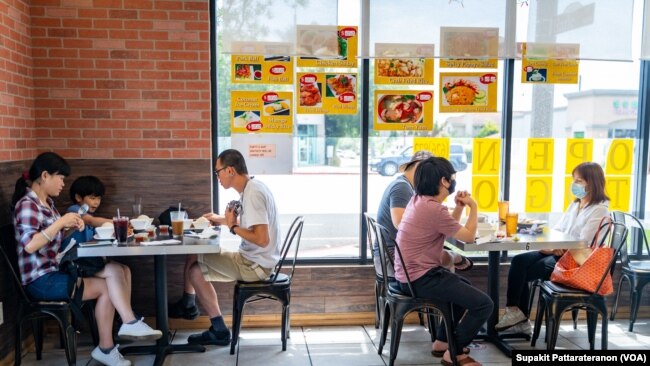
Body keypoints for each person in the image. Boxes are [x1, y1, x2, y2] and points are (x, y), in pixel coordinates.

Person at [12, 152, 161, 366]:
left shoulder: (48, 204)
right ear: (45, 175)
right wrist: (61, 222)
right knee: (110, 282)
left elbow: (54, 240)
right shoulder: (28, 205)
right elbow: (30, 244)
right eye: (61, 178)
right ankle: (115, 337)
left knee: (114, 274)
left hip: (57, 270)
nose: (63, 183)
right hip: (41, 281)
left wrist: (70, 228)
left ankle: (114, 339)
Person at [169, 149, 281, 346]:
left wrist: (232, 226)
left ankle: (214, 326)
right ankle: (191, 306)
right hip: (253, 260)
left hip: (255, 266)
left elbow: (262, 239)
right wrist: (219, 219)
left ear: (230, 170)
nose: (217, 177)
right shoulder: (251, 188)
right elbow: (250, 224)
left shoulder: (253, 194)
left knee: (195, 270)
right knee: (193, 257)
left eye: (217, 172)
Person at [395, 157, 492, 366]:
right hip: (420, 278)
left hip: (410, 275)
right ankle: (454, 354)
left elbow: (449, 228)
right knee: (484, 304)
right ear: (444, 181)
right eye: (452, 176)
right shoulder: (433, 208)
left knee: (463, 288)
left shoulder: (419, 200)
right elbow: (467, 236)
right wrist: (473, 207)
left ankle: (442, 342)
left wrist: (457, 207)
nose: (454, 180)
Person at [495, 162, 610, 334]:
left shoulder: (599, 210)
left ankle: (520, 319)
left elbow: (582, 243)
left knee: (525, 271)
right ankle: (515, 313)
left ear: (592, 182)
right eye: (574, 180)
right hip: (560, 253)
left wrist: (556, 248)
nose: (574, 184)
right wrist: (550, 246)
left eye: (579, 181)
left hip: (576, 263)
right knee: (519, 261)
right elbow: (559, 229)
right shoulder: (576, 204)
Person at [374, 150, 473, 279]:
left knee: (441, 254)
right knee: (441, 256)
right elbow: (400, 224)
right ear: (418, 167)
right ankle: (446, 288)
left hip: (392, 253)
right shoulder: (402, 187)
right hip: (392, 256)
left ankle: (453, 271)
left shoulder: (410, 189)